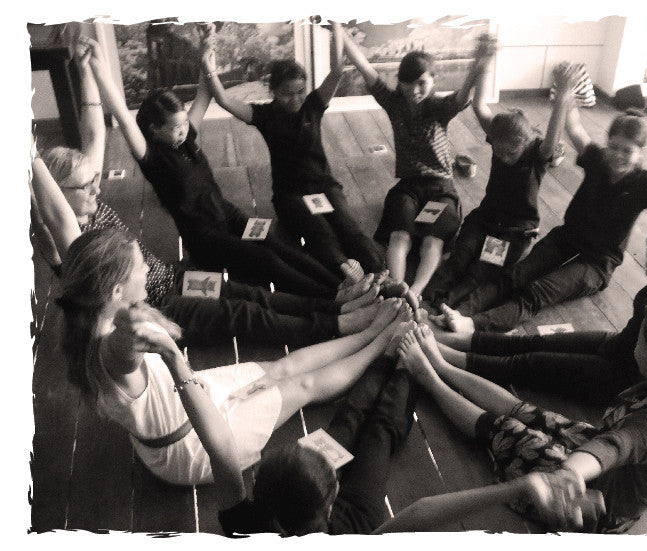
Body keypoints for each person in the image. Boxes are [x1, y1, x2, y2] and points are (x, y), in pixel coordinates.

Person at [56, 223, 413, 487]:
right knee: (303, 385)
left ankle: (367, 333)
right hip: (191, 444)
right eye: (140, 267)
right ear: (116, 290)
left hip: (191, 397)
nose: (148, 269)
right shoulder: (113, 353)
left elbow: (65, 231)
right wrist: (130, 330)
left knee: (283, 367)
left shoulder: (89, 312)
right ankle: (380, 342)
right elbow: (120, 353)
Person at [377, 303, 647, 533]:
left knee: (509, 429)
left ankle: (429, 378)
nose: (634, 342)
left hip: (588, 503)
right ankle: (441, 365)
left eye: (641, 340)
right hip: (594, 462)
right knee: (528, 411)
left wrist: (569, 474)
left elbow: (615, 446)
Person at [32, 142, 383, 351]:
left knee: (248, 294)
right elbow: (54, 213)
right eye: (85, 185)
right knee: (242, 315)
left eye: (95, 180)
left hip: (173, 278)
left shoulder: (92, 206)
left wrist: (90, 65)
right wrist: (30, 156)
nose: (96, 189)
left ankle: (336, 307)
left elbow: (94, 133)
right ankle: (336, 327)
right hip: (156, 308)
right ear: (55, 194)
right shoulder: (67, 242)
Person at [81, 31, 341, 298]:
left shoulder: (185, 139)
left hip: (227, 214)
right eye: (175, 127)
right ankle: (332, 298)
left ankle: (340, 283)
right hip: (206, 237)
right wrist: (98, 67)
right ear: (154, 129)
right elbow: (123, 117)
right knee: (267, 260)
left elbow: (204, 93)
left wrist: (206, 50)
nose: (184, 130)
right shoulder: (152, 158)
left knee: (274, 240)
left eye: (185, 122)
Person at [435, 88, 647, 334]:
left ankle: (472, 324)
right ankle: (457, 309)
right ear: (607, 143)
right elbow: (575, 128)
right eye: (613, 146)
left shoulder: (646, 182)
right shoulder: (597, 158)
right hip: (566, 238)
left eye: (627, 151)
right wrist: (566, 96)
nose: (617, 155)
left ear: (641, 153)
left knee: (538, 292)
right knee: (516, 275)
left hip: (597, 262)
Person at [431, 220, 647, 405]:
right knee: (530, 342)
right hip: (617, 344)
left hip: (620, 378)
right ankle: (446, 339)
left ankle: (444, 356)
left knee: (529, 364)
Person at [202, 24, 385, 280]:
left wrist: (335, 25)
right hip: (290, 194)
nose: (296, 99)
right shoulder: (264, 115)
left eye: (300, 91)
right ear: (273, 91)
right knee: (320, 232)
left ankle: (381, 273)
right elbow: (223, 99)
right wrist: (206, 61)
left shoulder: (313, 106)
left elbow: (337, 70)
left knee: (349, 227)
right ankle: (346, 275)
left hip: (324, 185)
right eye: (287, 94)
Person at [338, 24, 497, 301]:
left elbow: (463, 95)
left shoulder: (439, 108)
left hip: (440, 189)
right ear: (399, 82)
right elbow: (363, 66)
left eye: (422, 82)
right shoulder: (394, 103)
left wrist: (478, 63)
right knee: (400, 236)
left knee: (431, 242)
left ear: (434, 80)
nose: (414, 90)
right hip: (408, 188)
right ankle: (397, 288)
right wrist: (336, 28)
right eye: (408, 82)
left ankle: (416, 291)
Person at [218, 322, 418, 536]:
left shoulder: (243, 526)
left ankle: (389, 358)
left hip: (312, 505)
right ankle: (406, 369)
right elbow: (218, 447)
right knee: (379, 432)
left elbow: (217, 446)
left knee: (350, 423)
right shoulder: (352, 532)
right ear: (330, 508)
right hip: (355, 514)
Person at [425, 62, 580, 310]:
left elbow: (553, 134)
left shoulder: (537, 155)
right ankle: (426, 295)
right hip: (485, 219)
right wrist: (484, 64)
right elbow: (479, 106)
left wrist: (562, 94)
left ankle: (449, 304)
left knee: (481, 269)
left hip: (514, 230)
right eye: (498, 151)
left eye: (510, 153)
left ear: (526, 143)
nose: (504, 157)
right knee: (459, 258)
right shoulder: (499, 136)